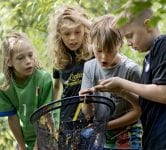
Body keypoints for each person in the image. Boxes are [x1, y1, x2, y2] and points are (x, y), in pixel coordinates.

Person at [92, 8, 166, 150]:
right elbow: (148, 102)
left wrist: (123, 82)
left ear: (148, 25)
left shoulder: (165, 45)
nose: (129, 43)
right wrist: (121, 90)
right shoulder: (150, 57)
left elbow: (163, 94)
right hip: (156, 140)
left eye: (130, 35)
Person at [79, 15, 143, 149]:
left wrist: (105, 126)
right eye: (99, 50)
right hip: (101, 131)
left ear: (119, 44)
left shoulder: (131, 70)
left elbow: (139, 110)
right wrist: (85, 101)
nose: (103, 57)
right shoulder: (89, 67)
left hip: (128, 131)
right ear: (92, 45)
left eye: (110, 51)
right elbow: (88, 113)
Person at [47, 5, 93, 148]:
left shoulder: (93, 54)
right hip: (67, 120)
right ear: (59, 34)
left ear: (85, 31)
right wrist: (48, 111)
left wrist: (83, 21)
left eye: (77, 32)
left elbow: (108, 34)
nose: (72, 38)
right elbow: (56, 86)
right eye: (67, 34)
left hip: (90, 118)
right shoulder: (60, 60)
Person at [0, 32, 53, 150]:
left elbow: (46, 117)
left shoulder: (43, 79)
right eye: (21, 58)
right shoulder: (3, 84)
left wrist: (37, 146)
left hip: (48, 136)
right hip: (24, 139)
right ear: (9, 62)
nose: (28, 61)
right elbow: (12, 118)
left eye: (30, 55)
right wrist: (22, 146)